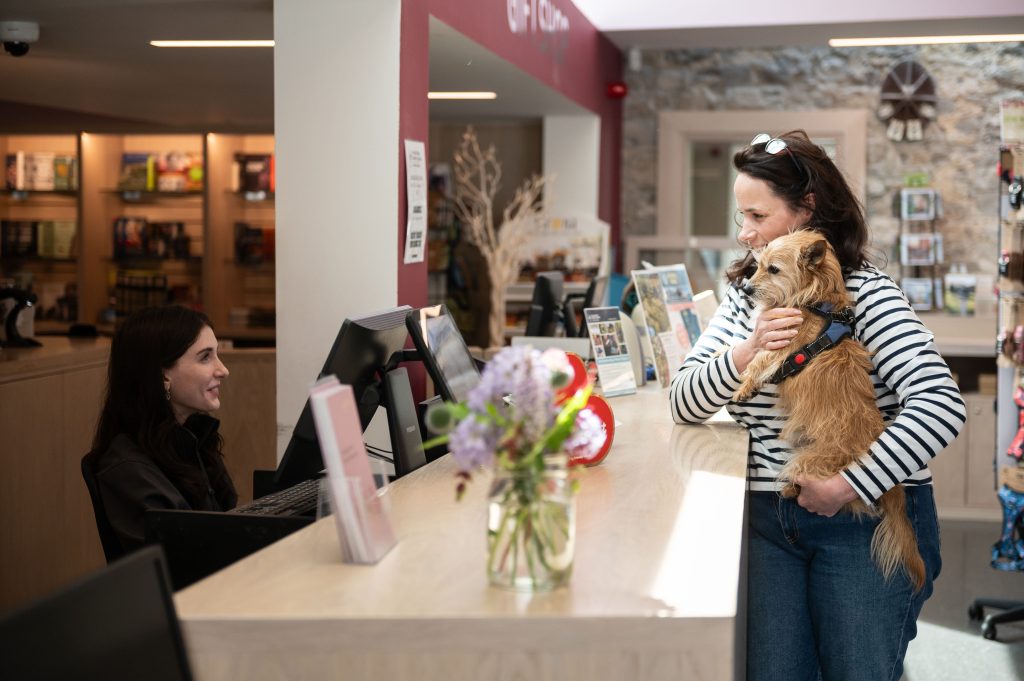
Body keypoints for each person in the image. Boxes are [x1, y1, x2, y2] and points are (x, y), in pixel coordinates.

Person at [669, 131, 966, 681]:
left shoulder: (865, 295)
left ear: (806, 211)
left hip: (862, 516)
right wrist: (748, 348)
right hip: (766, 520)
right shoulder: (747, 299)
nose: (745, 234)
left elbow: (940, 404)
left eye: (757, 216)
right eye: (741, 217)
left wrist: (849, 483)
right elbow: (683, 400)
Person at [90, 305, 237, 555]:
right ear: (162, 377)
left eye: (217, 354)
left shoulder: (192, 439)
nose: (223, 370)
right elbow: (187, 564)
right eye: (205, 357)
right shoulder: (128, 470)